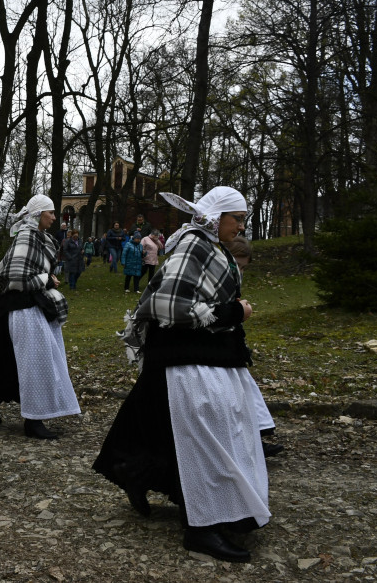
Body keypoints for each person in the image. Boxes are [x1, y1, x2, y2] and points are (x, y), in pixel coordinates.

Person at [93, 186, 269, 563]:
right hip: (189, 360)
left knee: (176, 434)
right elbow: (167, 303)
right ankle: (202, 527)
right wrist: (235, 313)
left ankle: (139, 476)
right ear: (217, 216)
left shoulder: (209, 245)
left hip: (200, 356)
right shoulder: (195, 244)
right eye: (236, 218)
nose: (241, 225)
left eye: (243, 219)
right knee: (209, 442)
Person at [0, 194, 82, 440]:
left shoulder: (40, 237)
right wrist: (47, 279)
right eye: (50, 212)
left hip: (29, 305)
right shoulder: (27, 236)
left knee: (0, 359)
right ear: (38, 214)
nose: (54, 217)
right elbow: (18, 277)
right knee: (35, 363)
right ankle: (33, 421)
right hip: (22, 307)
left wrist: (45, 278)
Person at [224, 235, 283, 459]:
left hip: (231, 349)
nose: (239, 272)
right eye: (237, 265)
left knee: (245, 394)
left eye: (243, 268)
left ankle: (255, 440)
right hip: (218, 350)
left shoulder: (232, 279)